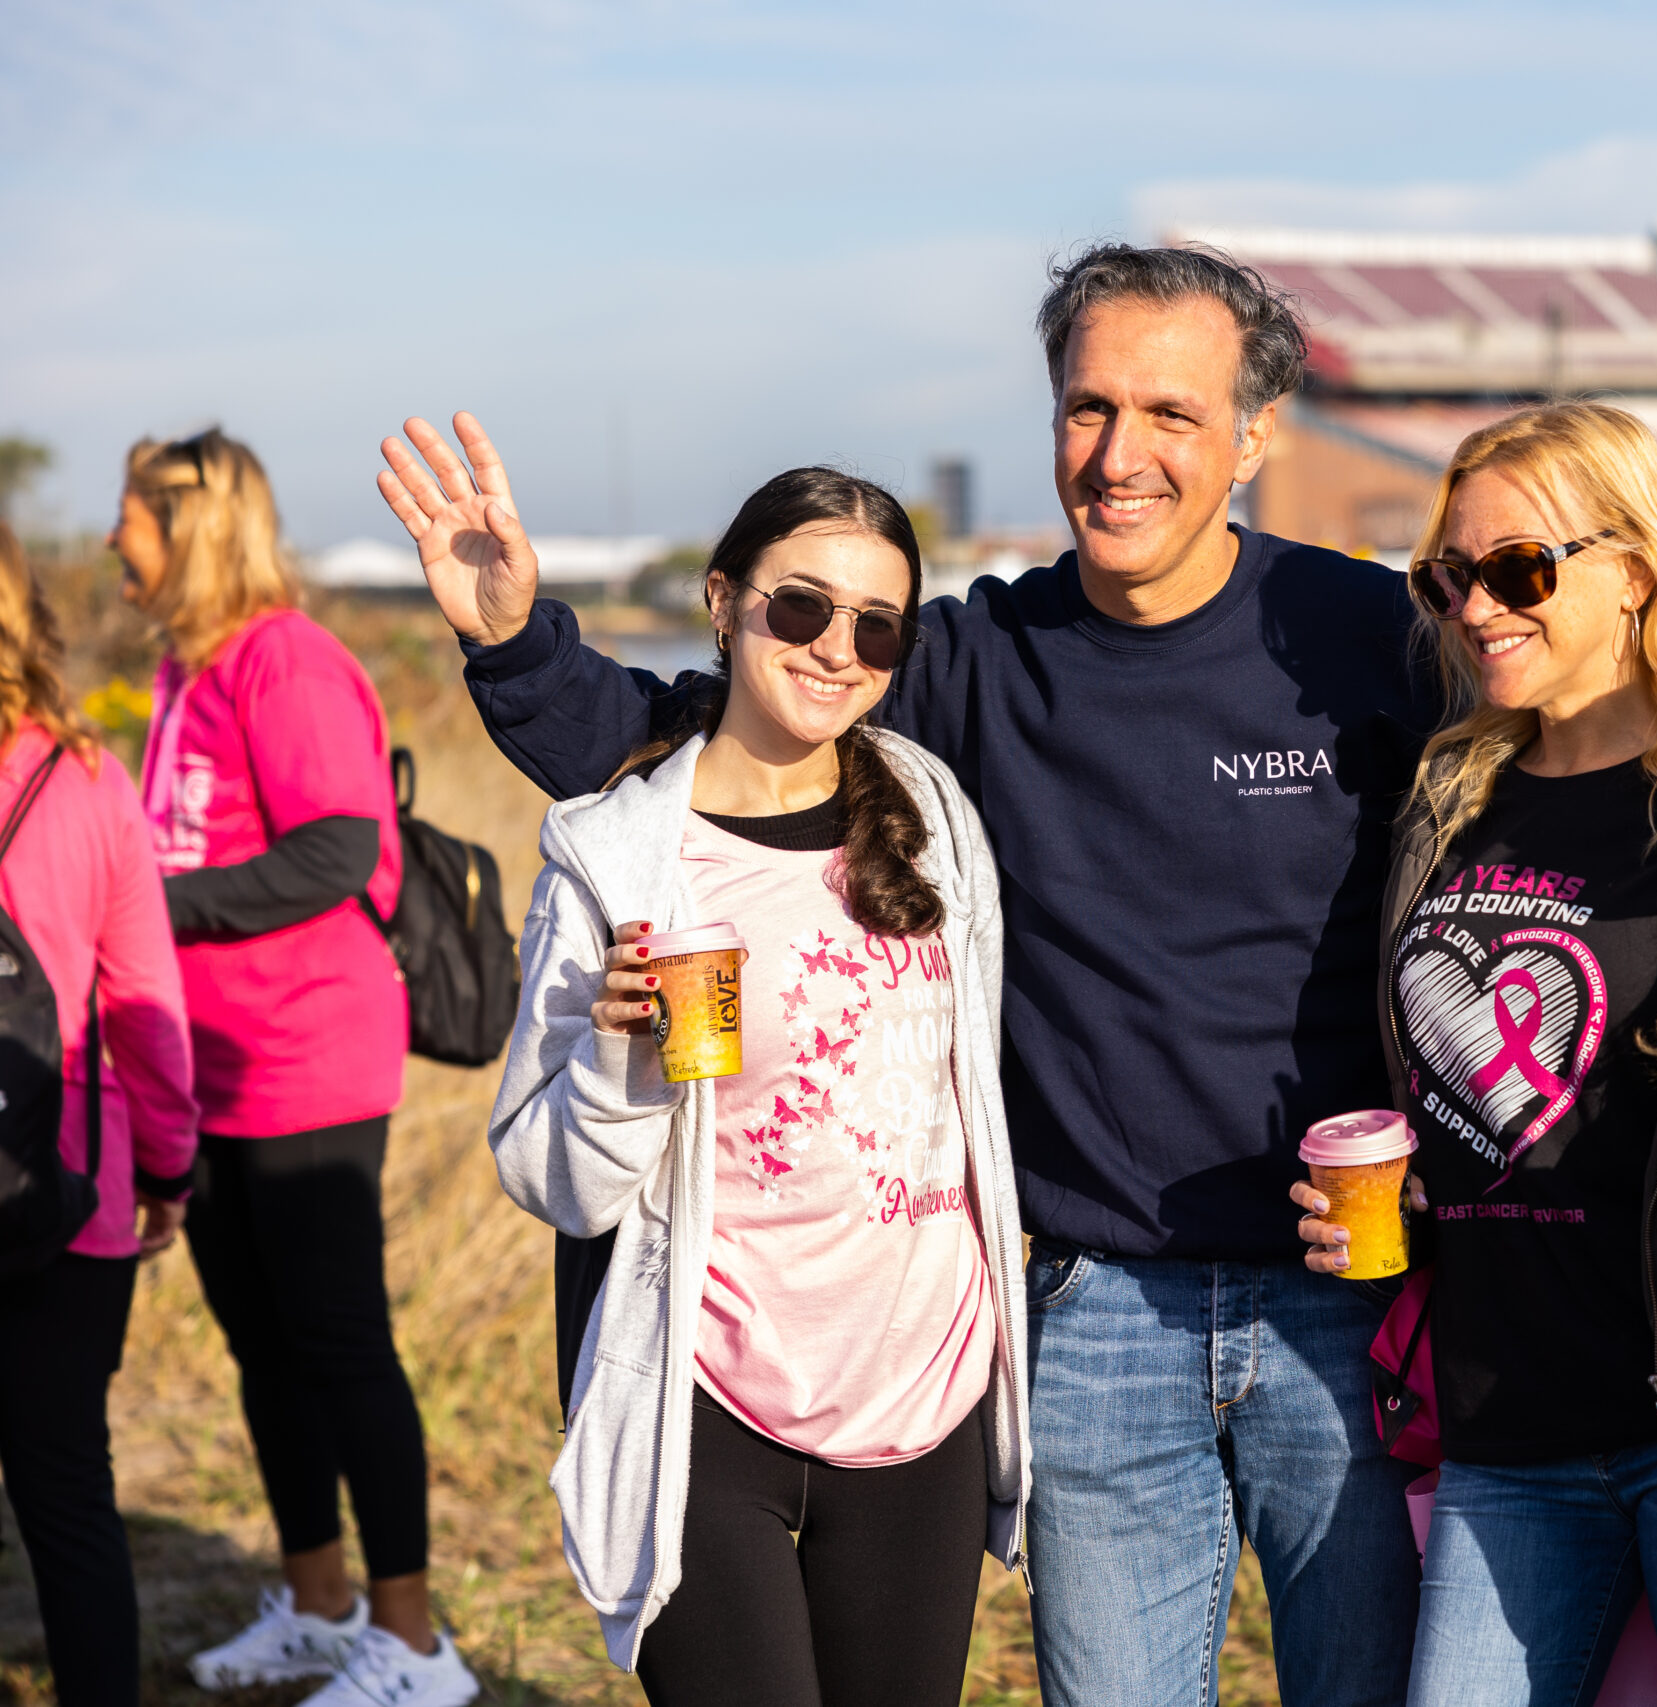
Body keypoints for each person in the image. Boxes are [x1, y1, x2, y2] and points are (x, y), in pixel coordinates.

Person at [383, 242, 1435, 1705]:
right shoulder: (970, 661)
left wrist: (1457, 1170)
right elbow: (685, 741)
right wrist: (511, 639)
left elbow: (1528, 861)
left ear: (1255, 437)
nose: (1118, 455)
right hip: (1093, 1312)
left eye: (1171, 414)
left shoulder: (1363, 638)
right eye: (1088, 407)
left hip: (1340, 1293)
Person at [456, 467, 1030, 1704]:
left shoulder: (933, 815)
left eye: (877, 628)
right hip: (704, 1398)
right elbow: (552, 1182)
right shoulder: (617, 859)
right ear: (722, 603)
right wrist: (621, 1060)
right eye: (802, 607)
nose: (836, 650)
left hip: (923, 1392)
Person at [1290, 402, 1657, 1705]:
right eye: (1449, 577)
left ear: (1636, 569)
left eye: (1518, 569)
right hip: (1501, 1417)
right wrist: (1409, 1194)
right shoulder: (1451, 791)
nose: (1475, 608)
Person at [113, 430, 477, 1706]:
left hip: (305, 1061)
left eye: (129, 518)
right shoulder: (185, 668)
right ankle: (320, 1608)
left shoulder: (288, 659)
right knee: (262, 1350)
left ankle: (414, 1645)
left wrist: (155, 905)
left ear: (190, 527)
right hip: (205, 1066)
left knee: (340, 1345)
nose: (110, 539)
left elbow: (338, 848)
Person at [0, 522, 198, 1707]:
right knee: (69, 1492)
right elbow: (145, 1009)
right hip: (68, 1190)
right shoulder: (86, 781)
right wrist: (165, 1174)